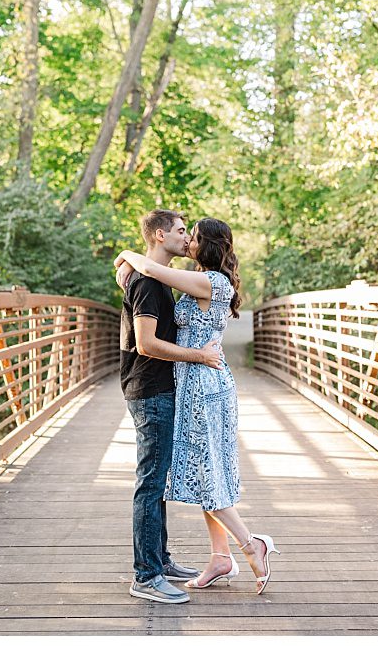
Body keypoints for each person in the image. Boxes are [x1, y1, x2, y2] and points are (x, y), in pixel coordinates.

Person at [116, 217, 280, 595]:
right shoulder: (187, 280)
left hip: (205, 384)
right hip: (186, 383)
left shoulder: (212, 282)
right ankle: (219, 556)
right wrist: (128, 266)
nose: (187, 240)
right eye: (182, 232)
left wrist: (126, 253)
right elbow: (146, 283)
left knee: (209, 474)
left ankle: (250, 544)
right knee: (203, 473)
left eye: (192, 236)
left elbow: (149, 268)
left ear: (206, 245)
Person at [120, 209, 218, 604]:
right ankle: (145, 576)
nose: (186, 238)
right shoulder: (146, 283)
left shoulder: (157, 280)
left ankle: (159, 560)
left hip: (160, 387)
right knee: (150, 483)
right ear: (160, 236)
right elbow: (145, 344)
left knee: (157, 480)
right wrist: (198, 355)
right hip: (149, 388)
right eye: (180, 231)